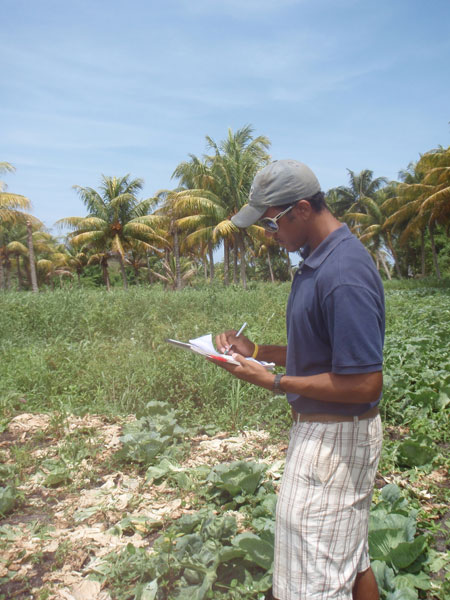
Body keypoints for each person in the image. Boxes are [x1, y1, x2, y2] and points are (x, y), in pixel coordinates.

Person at [214, 159, 384, 600]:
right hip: (327, 434)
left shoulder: (342, 273)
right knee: (349, 555)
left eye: (272, 224)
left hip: (335, 441)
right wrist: (260, 353)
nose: (270, 236)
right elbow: (326, 354)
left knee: (312, 577)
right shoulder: (317, 262)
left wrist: (274, 382)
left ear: (302, 209)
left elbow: (365, 383)